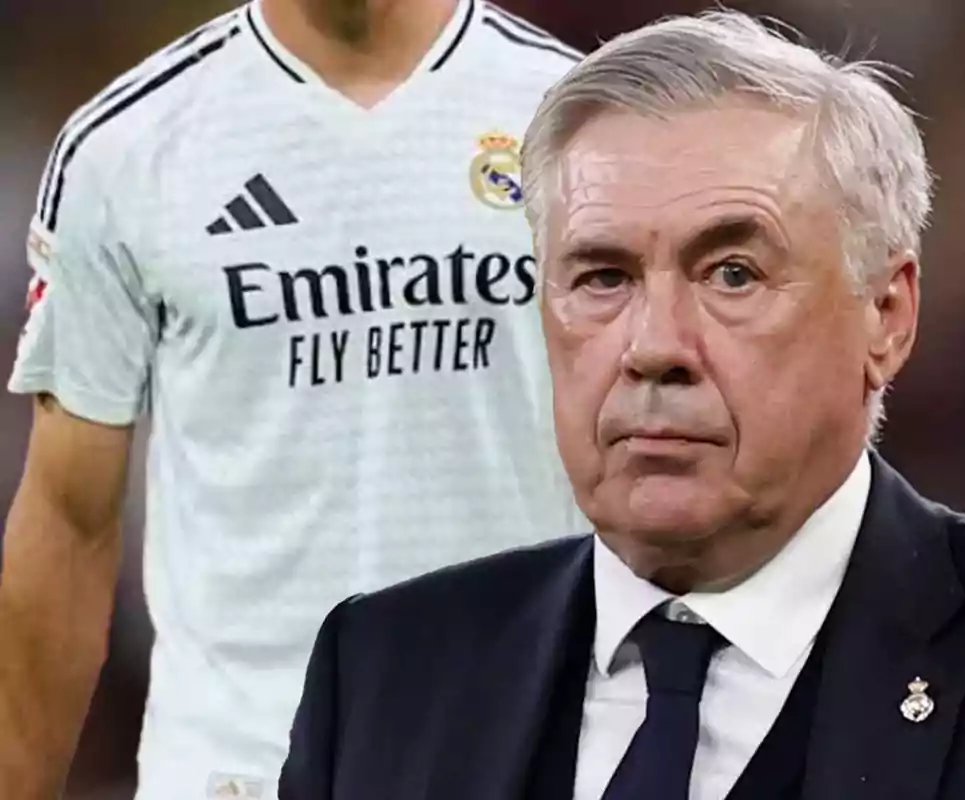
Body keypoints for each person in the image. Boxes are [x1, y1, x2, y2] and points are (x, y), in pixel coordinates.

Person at [278, 10, 965, 800]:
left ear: (887, 313)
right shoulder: (384, 672)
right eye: (601, 277)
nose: (653, 348)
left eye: (732, 273)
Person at [0, 0, 587, 797]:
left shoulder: (574, 114)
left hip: (519, 753)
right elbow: (68, 520)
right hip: (234, 769)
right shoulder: (126, 145)